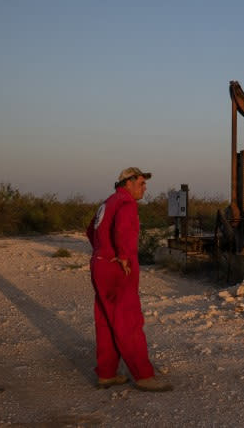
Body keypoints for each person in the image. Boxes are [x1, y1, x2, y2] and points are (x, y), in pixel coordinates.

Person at [86, 167, 172, 392]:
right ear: (128, 183)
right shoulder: (126, 203)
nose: (145, 188)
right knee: (128, 321)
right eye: (141, 183)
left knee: (106, 321)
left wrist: (102, 251)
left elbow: (90, 230)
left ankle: (107, 374)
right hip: (117, 269)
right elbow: (123, 231)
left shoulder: (107, 203)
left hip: (101, 264)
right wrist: (123, 256)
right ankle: (143, 376)